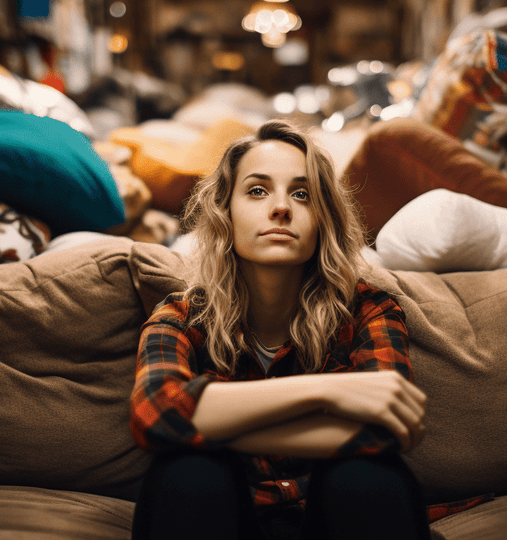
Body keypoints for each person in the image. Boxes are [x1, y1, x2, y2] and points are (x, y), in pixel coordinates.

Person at [129, 120, 431, 540]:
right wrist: (328, 392)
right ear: (225, 213)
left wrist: (213, 425)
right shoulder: (181, 318)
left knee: (365, 475)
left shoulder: (368, 311)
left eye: (302, 194)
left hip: (330, 521)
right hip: (228, 519)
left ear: (323, 218)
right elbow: (156, 415)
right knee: (189, 472)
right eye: (257, 190)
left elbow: (386, 429)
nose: (281, 208)